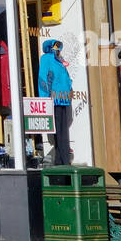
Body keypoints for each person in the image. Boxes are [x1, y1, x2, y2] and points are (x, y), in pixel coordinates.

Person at [38, 38, 74, 166]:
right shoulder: (46, 59)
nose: (57, 49)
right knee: (59, 132)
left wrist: (69, 88)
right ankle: (63, 161)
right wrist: (45, 98)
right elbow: (43, 78)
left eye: (58, 47)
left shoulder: (59, 60)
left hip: (63, 99)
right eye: (55, 47)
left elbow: (65, 77)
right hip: (54, 99)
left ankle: (61, 160)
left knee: (63, 131)